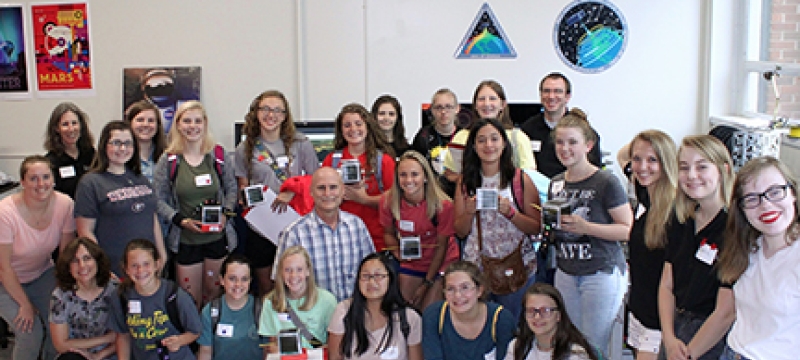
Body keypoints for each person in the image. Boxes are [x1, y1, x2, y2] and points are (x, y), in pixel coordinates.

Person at [547, 109, 631, 358]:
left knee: (592, 346)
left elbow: (627, 229)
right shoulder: (556, 182)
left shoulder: (606, 182)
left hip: (600, 273)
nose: (565, 149)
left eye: (572, 142)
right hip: (566, 272)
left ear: (588, 145)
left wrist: (587, 228)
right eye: (560, 142)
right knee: (570, 344)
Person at [453, 119, 541, 317]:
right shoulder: (465, 182)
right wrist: (469, 212)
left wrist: (511, 213)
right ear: (473, 146)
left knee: (512, 324)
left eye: (494, 139)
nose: (489, 145)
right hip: (477, 268)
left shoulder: (520, 179)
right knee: (479, 325)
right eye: (481, 140)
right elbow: (460, 231)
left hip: (516, 266)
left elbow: (536, 226)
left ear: (504, 144)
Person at [235, 90, 319, 296]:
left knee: (297, 282)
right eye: (265, 109)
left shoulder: (301, 144)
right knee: (267, 287)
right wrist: (245, 198)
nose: (270, 115)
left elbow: (316, 180)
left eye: (277, 110)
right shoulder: (245, 148)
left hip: (296, 222)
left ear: (284, 116)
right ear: (256, 112)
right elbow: (242, 185)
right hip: (262, 226)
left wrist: (292, 190)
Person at [154, 101, 238, 308]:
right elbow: (157, 198)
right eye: (187, 121)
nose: (193, 126)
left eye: (198, 121)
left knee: (215, 295)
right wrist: (180, 220)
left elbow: (231, 189)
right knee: (190, 299)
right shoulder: (169, 160)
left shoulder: (218, 155)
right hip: (186, 241)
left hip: (217, 239)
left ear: (205, 124)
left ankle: (212, 329)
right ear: (178, 124)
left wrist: (225, 214)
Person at [657, 135, 734, 360]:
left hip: (711, 336)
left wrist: (688, 354)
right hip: (676, 328)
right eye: (684, 167)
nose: (691, 175)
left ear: (723, 170)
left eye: (702, 167)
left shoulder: (733, 229)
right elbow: (667, 285)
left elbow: (726, 311)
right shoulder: (681, 219)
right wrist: (669, 339)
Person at [717, 156, 800, 359]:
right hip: (733, 352)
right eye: (752, 198)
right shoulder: (749, 248)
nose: (766, 205)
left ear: (793, 193)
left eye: (775, 192)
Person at [0, 155, 76, 360]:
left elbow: (65, 253)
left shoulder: (65, 204)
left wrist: (65, 289)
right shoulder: (5, 213)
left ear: (53, 179)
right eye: (33, 179)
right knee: (30, 333)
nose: (41, 184)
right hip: (4, 280)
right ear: (22, 182)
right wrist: (25, 304)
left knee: (58, 326)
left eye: (46, 177)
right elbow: (4, 268)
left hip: (41, 273)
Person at [75, 121, 168, 277]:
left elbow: (152, 218)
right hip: (114, 268)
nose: (123, 148)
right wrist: (102, 266)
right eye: (116, 143)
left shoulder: (141, 179)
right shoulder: (91, 183)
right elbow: (85, 231)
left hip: (146, 267)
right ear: (104, 145)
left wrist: (162, 254)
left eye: (128, 143)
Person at [617, 130, 678, 360]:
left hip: (658, 320)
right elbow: (622, 155)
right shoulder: (645, 193)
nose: (643, 167)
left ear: (667, 163)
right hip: (639, 311)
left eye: (653, 160)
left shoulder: (675, 212)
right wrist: (641, 145)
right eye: (637, 159)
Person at [276, 167, 376, 301]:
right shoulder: (294, 233)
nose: (327, 193)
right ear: (311, 192)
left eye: (333, 187)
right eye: (321, 188)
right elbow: (281, 283)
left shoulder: (357, 226)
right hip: (312, 311)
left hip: (353, 309)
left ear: (343, 191)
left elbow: (371, 271)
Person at [379, 151, 458, 310]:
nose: (409, 180)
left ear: (425, 177)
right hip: (413, 261)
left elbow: (441, 247)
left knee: (429, 311)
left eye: (414, 174)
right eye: (403, 175)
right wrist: (399, 254)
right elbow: (388, 233)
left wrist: (427, 283)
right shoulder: (388, 201)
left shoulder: (443, 206)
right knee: (406, 308)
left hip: (441, 261)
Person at [107, 239, 202, 360]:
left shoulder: (175, 296)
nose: (140, 270)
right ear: (126, 269)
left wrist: (179, 340)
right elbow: (123, 335)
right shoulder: (121, 296)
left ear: (157, 265)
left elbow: (195, 331)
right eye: (134, 265)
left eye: (146, 264)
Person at [322, 103, 395, 251]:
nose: (353, 129)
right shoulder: (332, 161)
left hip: (376, 238)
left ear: (368, 126)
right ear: (341, 130)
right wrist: (336, 195)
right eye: (347, 125)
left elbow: (395, 199)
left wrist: (364, 199)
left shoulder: (383, 161)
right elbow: (320, 195)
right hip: (341, 237)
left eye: (358, 124)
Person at [328, 253, 422, 360]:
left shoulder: (409, 318)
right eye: (365, 276)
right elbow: (335, 357)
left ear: (391, 279)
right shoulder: (344, 311)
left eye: (378, 276)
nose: (371, 282)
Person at [443, 80, 535, 185]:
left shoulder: (518, 137)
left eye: (492, 99)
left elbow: (530, 176)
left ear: (503, 104)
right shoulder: (461, 137)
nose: (486, 104)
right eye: (481, 99)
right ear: (475, 105)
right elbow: (449, 173)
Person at [421, 261, 516, 360]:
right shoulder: (434, 315)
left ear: (479, 290)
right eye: (450, 289)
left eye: (465, 287)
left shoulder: (501, 318)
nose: (457, 295)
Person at [520, 73, 602, 178]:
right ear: (540, 95)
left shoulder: (583, 131)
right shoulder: (526, 130)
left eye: (557, 91)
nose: (551, 96)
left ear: (567, 97)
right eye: (546, 91)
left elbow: (594, 174)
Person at [258, 246, 337, 352]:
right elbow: (271, 343)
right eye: (288, 270)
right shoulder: (270, 301)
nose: (293, 275)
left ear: (308, 271)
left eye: (299, 269)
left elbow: (334, 344)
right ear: (281, 273)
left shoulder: (327, 301)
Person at [50, 237, 117, 360]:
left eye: (87, 258)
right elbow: (60, 345)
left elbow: (126, 336)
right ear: (68, 266)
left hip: (111, 353)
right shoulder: (60, 296)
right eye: (75, 261)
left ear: (97, 261)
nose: (82, 265)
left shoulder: (115, 290)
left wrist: (97, 356)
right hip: (77, 354)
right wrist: (106, 338)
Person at [505, 283, 599, 360]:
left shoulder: (575, 355)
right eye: (531, 310)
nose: (537, 317)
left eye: (545, 311)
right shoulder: (517, 347)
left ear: (558, 315)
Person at [197, 254, 264, 360]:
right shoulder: (209, 312)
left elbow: (270, 350)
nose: (238, 284)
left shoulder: (261, 310)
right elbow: (205, 352)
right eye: (232, 278)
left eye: (244, 279)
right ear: (222, 280)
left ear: (250, 281)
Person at [411, 88, 462, 196]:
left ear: (457, 108)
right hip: (431, 194)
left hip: (459, 194)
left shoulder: (465, 136)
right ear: (432, 110)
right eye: (439, 107)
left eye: (448, 107)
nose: (443, 112)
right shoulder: (423, 136)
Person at [44, 102, 96, 199]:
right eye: (65, 124)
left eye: (74, 123)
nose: (71, 129)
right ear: (56, 128)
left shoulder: (91, 154)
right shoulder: (50, 162)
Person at [125, 100, 167, 184]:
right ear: (129, 123)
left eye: (151, 120)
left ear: (158, 125)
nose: (146, 124)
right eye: (140, 120)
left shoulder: (168, 156)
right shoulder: (121, 156)